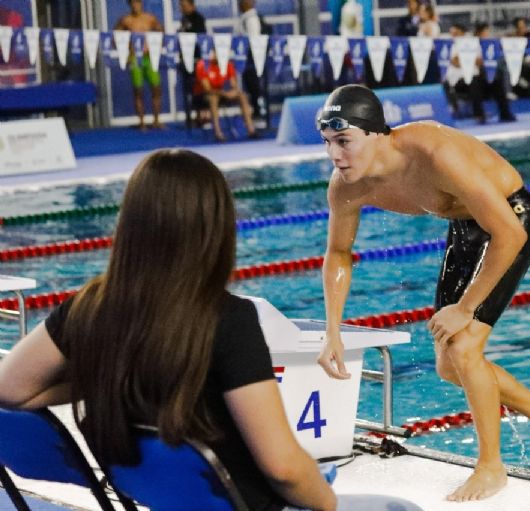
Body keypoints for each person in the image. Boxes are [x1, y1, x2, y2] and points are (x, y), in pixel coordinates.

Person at [0, 149, 422, 511]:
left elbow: (10, 389)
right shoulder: (229, 320)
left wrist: (112, 376)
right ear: (215, 229)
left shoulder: (89, 307)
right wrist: (328, 505)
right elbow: (283, 468)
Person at [316, 85, 530, 502]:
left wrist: (466, 308)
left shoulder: (433, 152)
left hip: (511, 219)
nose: (335, 154)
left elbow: (509, 233)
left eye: (344, 141)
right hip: (467, 229)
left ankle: (491, 467)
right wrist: (332, 331)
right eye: (327, 142)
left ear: (376, 133)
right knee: (449, 366)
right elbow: (338, 253)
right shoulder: (346, 186)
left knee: (464, 347)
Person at [443, 23, 515, 124]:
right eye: (452, 33)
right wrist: (470, 59)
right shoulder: (451, 45)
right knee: (474, 82)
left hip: (476, 75)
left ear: (462, 32)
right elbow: (455, 62)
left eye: (455, 32)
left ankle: (505, 113)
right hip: (458, 80)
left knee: (495, 80)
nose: (453, 35)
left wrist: (465, 59)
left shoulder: (473, 43)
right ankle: (479, 115)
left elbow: (481, 61)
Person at [114, 0, 165, 130]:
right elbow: (115, 38)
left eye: (137, 3)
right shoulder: (126, 20)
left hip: (149, 57)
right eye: (133, 3)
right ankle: (142, 122)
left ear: (141, 3)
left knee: (156, 88)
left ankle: (156, 120)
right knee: (138, 90)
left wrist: (158, 46)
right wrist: (125, 52)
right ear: (129, 5)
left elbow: (161, 31)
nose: (135, 6)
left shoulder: (150, 18)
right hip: (135, 58)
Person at [194, 49, 258, 142]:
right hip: (203, 95)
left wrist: (233, 92)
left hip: (221, 93)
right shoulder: (202, 65)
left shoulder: (228, 64)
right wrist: (225, 93)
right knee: (213, 98)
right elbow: (207, 89)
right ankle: (218, 133)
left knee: (242, 95)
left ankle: (251, 130)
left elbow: (234, 84)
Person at [236, 0, 266, 125]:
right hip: (247, 59)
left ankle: (260, 115)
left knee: (255, 88)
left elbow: (254, 41)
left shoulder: (251, 19)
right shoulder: (244, 18)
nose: (239, 3)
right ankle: (255, 113)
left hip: (252, 59)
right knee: (250, 88)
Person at [178, 0, 207, 129]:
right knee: (189, 90)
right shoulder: (184, 19)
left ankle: (203, 116)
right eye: (180, 6)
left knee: (200, 88)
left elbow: (199, 38)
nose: (181, 8)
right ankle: (193, 117)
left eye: (184, 6)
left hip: (197, 60)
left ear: (192, 6)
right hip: (186, 59)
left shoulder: (198, 19)